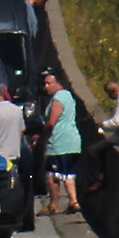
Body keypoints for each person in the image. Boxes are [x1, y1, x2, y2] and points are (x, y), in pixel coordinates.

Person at [0, 87, 32, 233]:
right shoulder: (16, 109)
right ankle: (18, 217)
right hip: (14, 153)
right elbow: (22, 130)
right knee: (15, 186)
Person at [40, 71, 81, 216]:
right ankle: (73, 201)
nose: (46, 87)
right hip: (73, 142)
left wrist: (41, 134)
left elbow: (52, 122)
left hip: (59, 141)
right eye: (44, 83)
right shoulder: (69, 96)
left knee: (52, 175)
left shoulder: (58, 98)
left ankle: (53, 205)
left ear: (57, 83)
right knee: (69, 174)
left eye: (48, 83)